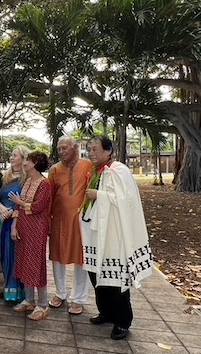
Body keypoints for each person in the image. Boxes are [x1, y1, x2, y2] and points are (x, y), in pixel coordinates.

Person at [82, 135, 153, 340]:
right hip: (96, 232)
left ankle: (122, 321)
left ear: (108, 151)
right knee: (96, 275)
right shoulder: (96, 171)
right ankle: (106, 312)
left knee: (115, 278)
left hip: (114, 233)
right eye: (89, 149)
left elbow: (125, 199)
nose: (91, 153)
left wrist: (99, 195)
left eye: (95, 149)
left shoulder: (118, 169)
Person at [48, 137, 93, 315]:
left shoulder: (88, 166)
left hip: (81, 222)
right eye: (59, 149)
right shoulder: (54, 170)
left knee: (81, 260)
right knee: (58, 258)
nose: (61, 151)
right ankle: (60, 293)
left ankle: (79, 299)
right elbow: (49, 196)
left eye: (65, 148)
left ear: (75, 148)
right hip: (59, 220)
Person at [9, 151, 52, 321]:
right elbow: (20, 209)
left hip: (37, 230)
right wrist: (15, 226)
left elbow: (38, 207)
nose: (25, 162)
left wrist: (19, 202)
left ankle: (43, 305)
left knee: (37, 264)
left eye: (27, 160)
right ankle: (29, 300)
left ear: (34, 163)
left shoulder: (44, 184)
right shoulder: (28, 181)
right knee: (24, 262)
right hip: (24, 229)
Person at [0, 145, 29, 302]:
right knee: (5, 254)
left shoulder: (28, 178)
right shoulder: (3, 176)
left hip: (19, 221)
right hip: (3, 220)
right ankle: (9, 288)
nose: (12, 158)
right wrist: (1, 208)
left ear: (23, 158)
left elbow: (28, 200)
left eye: (15, 155)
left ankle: (22, 292)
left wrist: (14, 212)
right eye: (12, 155)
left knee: (18, 255)